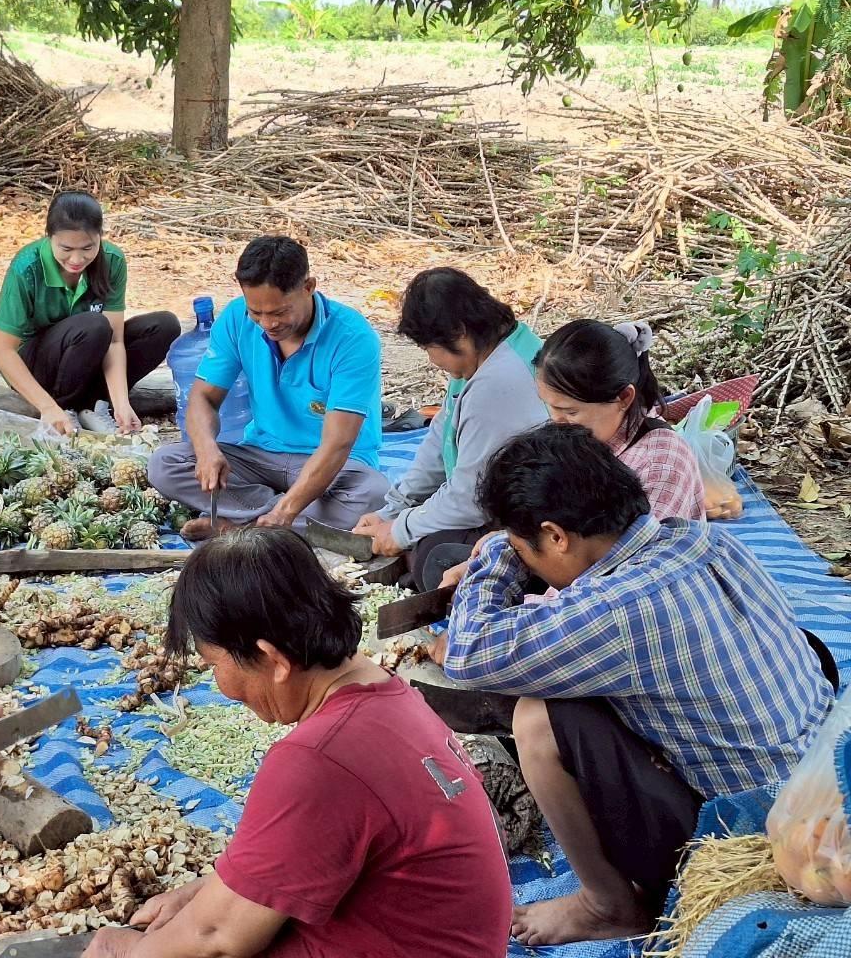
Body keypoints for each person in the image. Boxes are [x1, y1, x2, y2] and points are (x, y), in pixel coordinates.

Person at [439, 423, 833, 947]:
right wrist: (520, 541)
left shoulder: (619, 607)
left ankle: (608, 904)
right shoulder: (704, 539)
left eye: (527, 544)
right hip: (818, 785)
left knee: (538, 715)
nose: (521, 553)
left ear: (556, 536)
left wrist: (496, 554)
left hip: (755, 835)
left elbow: (468, 655)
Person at [83, 527, 512, 958]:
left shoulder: (319, 759)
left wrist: (127, 951)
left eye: (214, 664)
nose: (219, 685)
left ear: (272, 660)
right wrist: (208, 891)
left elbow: (215, 940)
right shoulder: (390, 696)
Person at [430, 317, 706, 590]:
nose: (555, 422)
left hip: (618, 588)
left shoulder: (660, 463)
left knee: (453, 568)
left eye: (570, 411)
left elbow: (624, 578)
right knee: (444, 555)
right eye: (550, 407)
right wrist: (506, 542)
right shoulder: (587, 441)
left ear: (624, 398)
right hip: (570, 562)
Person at [147, 237, 388, 538]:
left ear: (309, 286)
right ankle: (276, 524)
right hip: (260, 454)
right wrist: (207, 450)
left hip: (336, 467)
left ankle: (241, 526)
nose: (267, 324)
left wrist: (285, 511)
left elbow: (337, 444)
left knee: (373, 494)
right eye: (256, 313)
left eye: (279, 313)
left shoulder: (353, 337)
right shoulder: (235, 318)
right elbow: (203, 398)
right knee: (165, 464)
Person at [352, 267, 546, 590]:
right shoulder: (484, 356)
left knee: (434, 552)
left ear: (458, 332)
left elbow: (470, 499)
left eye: (430, 348)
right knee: (424, 538)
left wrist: (400, 531)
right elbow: (439, 442)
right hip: (494, 506)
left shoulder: (497, 382)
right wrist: (393, 510)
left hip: (528, 523)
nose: (432, 360)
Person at [0, 191, 180, 436]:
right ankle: (64, 408)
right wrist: (47, 405)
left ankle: (97, 405)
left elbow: (114, 340)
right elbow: (3, 351)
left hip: (88, 355)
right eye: (66, 248)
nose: (77, 259)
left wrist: (122, 402)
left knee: (164, 326)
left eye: (88, 248)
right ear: (49, 237)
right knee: (94, 325)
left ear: (100, 237)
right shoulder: (27, 267)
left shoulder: (112, 260)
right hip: (40, 368)